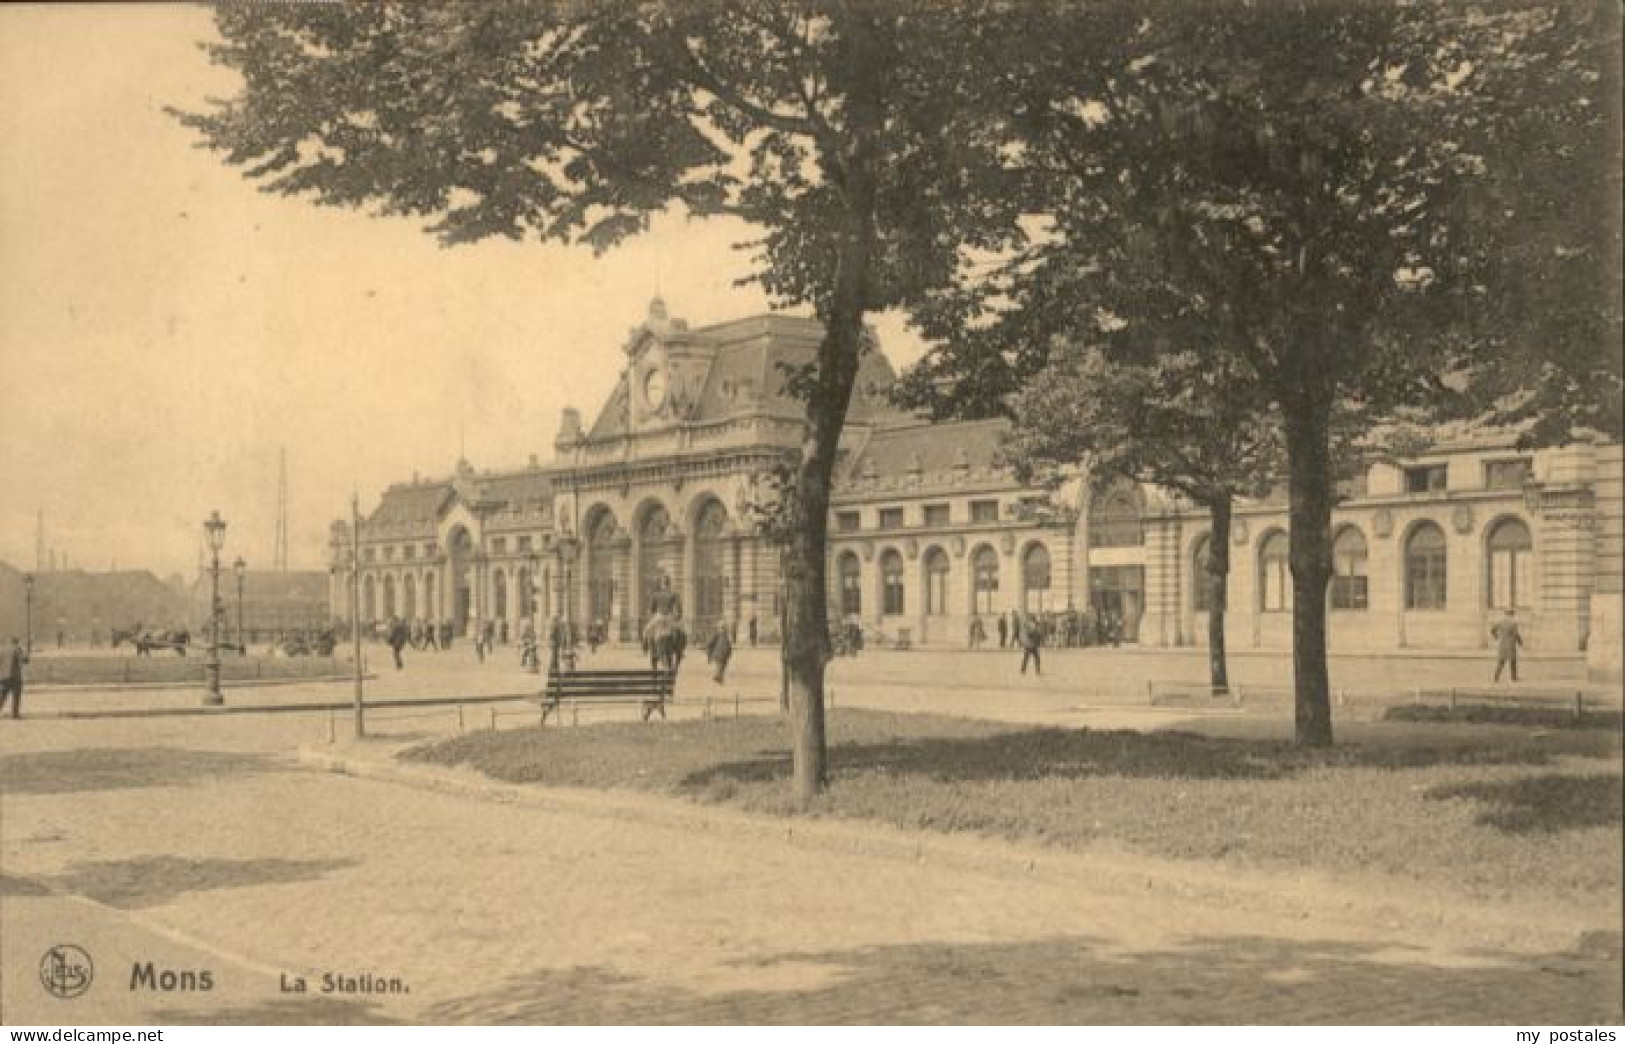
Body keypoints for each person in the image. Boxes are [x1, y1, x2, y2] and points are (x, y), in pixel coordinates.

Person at [1491, 610, 1523, 682]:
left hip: (1502, 644)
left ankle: (1496, 677)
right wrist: (1520, 642)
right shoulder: (1513, 623)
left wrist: (1496, 636)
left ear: (1505, 614)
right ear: (1512, 614)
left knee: (1501, 662)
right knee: (1513, 662)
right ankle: (1513, 678)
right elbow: (1516, 634)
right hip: (1511, 645)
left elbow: (1492, 630)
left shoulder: (1501, 622)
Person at [1, 637, 27, 719]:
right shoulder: (18, 649)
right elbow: (25, 660)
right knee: (16, 696)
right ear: (17, 642)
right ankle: (15, 714)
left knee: (3, 695)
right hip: (15, 677)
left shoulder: (3, 650)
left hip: (4, 676)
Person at [1018, 611, 1042, 676]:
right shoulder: (1028, 626)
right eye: (1033, 620)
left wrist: (1037, 632)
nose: (1033, 622)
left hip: (1033, 645)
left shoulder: (1034, 625)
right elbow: (1029, 634)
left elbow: (1038, 635)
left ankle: (1037, 671)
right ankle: (1023, 670)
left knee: (1036, 658)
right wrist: (1034, 630)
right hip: (1029, 645)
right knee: (1027, 658)